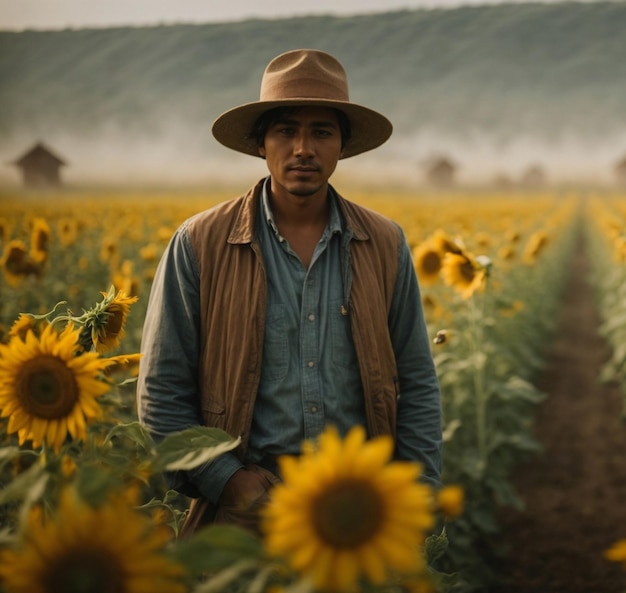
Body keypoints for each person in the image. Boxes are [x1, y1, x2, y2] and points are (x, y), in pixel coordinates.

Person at [137, 48, 442, 536]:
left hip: (359, 512)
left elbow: (417, 381)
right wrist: (226, 480)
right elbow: (162, 390)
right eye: (286, 131)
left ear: (342, 146)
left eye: (322, 132)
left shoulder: (384, 242)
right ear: (262, 144)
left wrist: (419, 493)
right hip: (249, 512)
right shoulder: (200, 243)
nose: (304, 148)